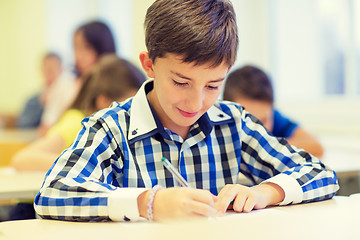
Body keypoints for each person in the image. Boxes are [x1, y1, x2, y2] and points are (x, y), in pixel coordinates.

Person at [34, 0, 338, 222]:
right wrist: (148, 202)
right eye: (181, 82)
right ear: (149, 65)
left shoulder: (233, 123)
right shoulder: (111, 128)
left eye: (213, 86)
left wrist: (265, 192)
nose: (196, 104)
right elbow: (53, 193)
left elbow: (321, 174)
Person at [11, 54, 146, 171]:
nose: (133, 109)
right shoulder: (77, 122)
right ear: (104, 101)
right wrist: (82, 163)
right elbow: (22, 159)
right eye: (129, 103)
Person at [223, 65, 324, 158]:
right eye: (248, 121)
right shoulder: (219, 125)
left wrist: (269, 145)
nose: (259, 130)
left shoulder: (275, 118)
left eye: (264, 120)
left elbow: (316, 146)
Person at [38, 21, 117, 136]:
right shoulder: (65, 86)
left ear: (102, 47)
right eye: (75, 47)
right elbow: (45, 129)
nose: (78, 55)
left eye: (86, 47)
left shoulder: (117, 85)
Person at [16, 53, 62, 128]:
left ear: (61, 70)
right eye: (46, 69)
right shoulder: (32, 101)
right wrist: (41, 106)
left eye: (52, 69)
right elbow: (23, 126)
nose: (49, 73)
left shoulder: (67, 98)